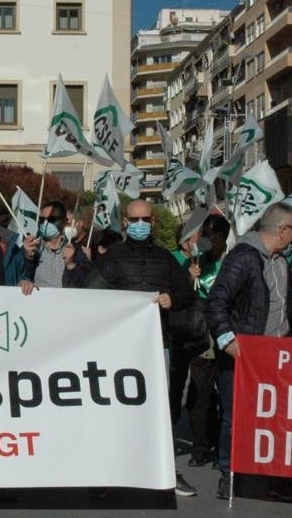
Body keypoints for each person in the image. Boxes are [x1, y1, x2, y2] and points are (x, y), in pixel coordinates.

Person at [98, 198, 197, 498]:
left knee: (159, 410)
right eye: (134, 220)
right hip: (118, 348)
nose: (140, 225)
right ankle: (108, 475)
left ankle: (166, 470)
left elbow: (185, 293)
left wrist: (173, 299)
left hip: (157, 346)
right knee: (115, 409)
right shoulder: (112, 257)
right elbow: (90, 292)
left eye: (145, 220)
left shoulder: (166, 258)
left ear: (152, 222)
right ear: (125, 223)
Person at [206, 202, 292, 502]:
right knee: (235, 418)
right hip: (243, 355)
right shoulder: (244, 258)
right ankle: (229, 474)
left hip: (276, 354)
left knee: (276, 418)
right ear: (282, 230)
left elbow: (290, 303)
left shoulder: (281, 262)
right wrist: (226, 337)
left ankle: (272, 474)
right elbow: (217, 300)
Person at [171, 214, 230, 469]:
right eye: (204, 235)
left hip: (228, 338)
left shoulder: (234, 261)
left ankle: (224, 448)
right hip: (200, 338)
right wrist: (188, 275)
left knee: (227, 396)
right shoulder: (195, 261)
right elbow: (180, 295)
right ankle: (201, 446)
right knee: (198, 395)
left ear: (223, 237)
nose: (207, 240)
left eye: (212, 235)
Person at [24, 200, 92, 289]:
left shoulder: (77, 251)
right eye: (42, 220)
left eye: (51, 219)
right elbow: (21, 277)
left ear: (63, 222)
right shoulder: (31, 247)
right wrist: (28, 257)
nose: (45, 223)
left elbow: (88, 284)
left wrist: (71, 265)